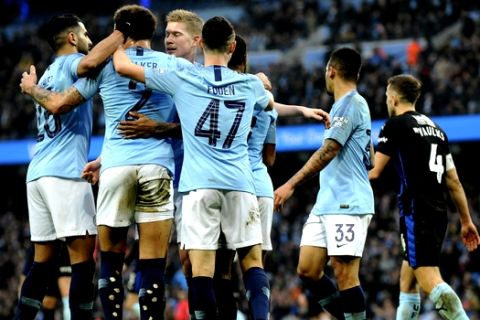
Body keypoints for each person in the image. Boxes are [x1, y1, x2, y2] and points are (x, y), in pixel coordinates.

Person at [19, 5, 190, 319]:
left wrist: (31, 89)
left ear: (121, 33)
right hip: (156, 166)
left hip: (115, 170)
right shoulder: (173, 66)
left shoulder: (105, 66)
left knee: (109, 261)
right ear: (151, 33)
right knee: (152, 263)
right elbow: (200, 123)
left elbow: (58, 102)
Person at [113, 16, 272, 320]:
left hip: (199, 186)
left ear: (200, 43)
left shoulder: (183, 77)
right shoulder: (250, 85)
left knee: (200, 271)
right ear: (233, 45)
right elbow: (269, 102)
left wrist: (120, 39)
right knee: (252, 262)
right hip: (241, 184)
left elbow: (122, 66)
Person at [16, 13, 126, 320]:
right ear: (72, 38)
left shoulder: (48, 73)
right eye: (86, 33)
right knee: (83, 262)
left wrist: (31, 88)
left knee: (43, 263)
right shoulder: (67, 64)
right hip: (64, 173)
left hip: (37, 174)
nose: (90, 39)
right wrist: (121, 33)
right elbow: (90, 63)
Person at [368, 74, 480, 320]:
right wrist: (466, 221)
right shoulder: (437, 131)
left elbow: (374, 172)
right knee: (407, 282)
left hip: (415, 210)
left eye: (387, 97)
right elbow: (453, 181)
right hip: (438, 212)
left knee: (430, 280)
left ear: (394, 98)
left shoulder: (395, 125)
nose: (386, 101)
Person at [274, 47, 375, 320]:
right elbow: (371, 159)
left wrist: (290, 184)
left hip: (347, 202)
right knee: (307, 269)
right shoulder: (346, 107)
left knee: (344, 273)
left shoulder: (352, 103)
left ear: (331, 70)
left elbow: (329, 150)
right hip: (327, 202)